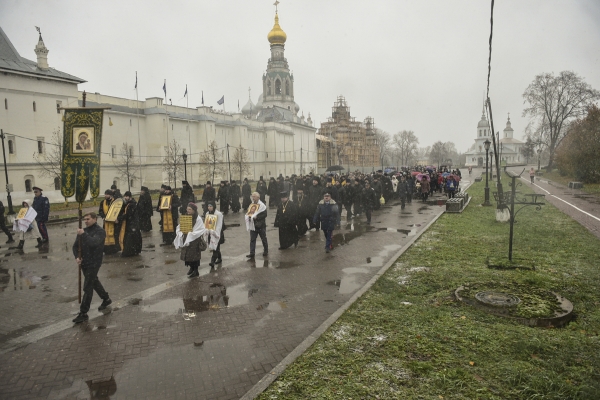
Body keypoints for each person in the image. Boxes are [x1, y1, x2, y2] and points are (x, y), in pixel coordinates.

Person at [72, 212, 111, 324]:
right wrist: (77, 257)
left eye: (88, 219)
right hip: (84, 262)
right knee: (94, 282)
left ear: (95, 219)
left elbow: (94, 243)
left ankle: (83, 312)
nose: (86, 221)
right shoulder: (83, 231)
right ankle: (106, 299)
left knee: (87, 286)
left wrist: (83, 234)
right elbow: (75, 247)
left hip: (94, 262)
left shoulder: (100, 231)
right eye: (84, 219)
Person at [174, 203, 205, 279]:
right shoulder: (186, 217)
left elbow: (200, 229)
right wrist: (180, 232)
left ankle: (196, 270)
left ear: (194, 210)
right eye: (187, 209)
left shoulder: (198, 218)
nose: (188, 211)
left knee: (195, 256)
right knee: (188, 255)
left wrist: (192, 234)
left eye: (190, 209)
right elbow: (180, 226)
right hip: (187, 239)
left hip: (195, 240)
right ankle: (191, 268)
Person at [117, 191, 142, 257]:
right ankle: (133, 251)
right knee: (131, 238)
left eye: (126, 196)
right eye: (124, 196)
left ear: (130, 197)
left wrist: (119, 218)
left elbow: (128, 214)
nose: (125, 198)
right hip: (131, 223)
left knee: (130, 239)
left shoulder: (132, 204)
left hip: (132, 224)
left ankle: (129, 252)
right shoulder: (129, 204)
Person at [245, 192, 268, 259]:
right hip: (253, 225)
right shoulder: (251, 204)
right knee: (252, 239)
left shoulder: (262, 205)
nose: (253, 198)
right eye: (252, 196)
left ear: (258, 197)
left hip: (261, 225)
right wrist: (248, 215)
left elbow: (265, 214)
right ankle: (252, 253)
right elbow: (249, 212)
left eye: (254, 196)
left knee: (263, 238)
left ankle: (266, 250)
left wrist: (257, 217)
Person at [203, 202, 225, 268]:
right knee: (216, 247)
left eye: (211, 206)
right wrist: (206, 230)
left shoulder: (218, 214)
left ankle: (212, 261)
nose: (209, 207)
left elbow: (219, 224)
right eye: (208, 206)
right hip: (210, 232)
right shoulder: (207, 213)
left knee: (216, 246)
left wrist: (215, 232)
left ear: (214, 206)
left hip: (217, 233)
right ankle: (220, 258)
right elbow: (206, 223)